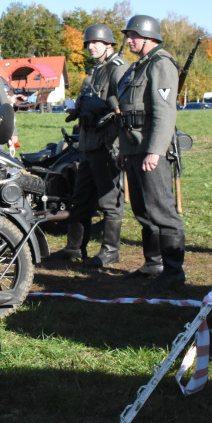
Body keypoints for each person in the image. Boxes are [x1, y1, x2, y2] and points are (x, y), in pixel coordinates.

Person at [116, 15, 186, 290]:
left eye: (133, 35)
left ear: (149, 37)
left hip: (150, 151)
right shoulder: (138, 67)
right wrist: (124, 149)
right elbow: (127, 113)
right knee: (143, 211)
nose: (129, 40)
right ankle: (153, 263)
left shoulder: (160, 64)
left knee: (163, 212)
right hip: (134, 148)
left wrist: (155, 151)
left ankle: (173, 270)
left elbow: (165, 113)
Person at [54, 24, 128, 266]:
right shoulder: (96, 71)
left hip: (107, 145)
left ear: (109, 44)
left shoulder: (118, 70)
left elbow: (124, 110)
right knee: (80, 197)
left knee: (109, 200)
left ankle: (110, 252)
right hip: (88, 145)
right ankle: (74, 248)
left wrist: (116, 143)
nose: (91, 46)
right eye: (88, 43)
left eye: (96, 42)